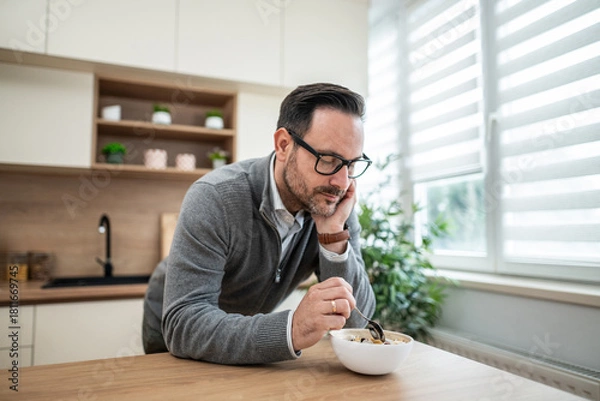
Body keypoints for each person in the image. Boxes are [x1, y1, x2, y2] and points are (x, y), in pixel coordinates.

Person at [142, 82, 376, 365]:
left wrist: (333, 237)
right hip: (174, 326)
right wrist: (293, 329)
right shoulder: (215, 197)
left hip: (241, 334)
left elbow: (357, 322)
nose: (342, 182)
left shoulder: (332, 204)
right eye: (328, 160)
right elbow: (185, 325)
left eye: (351, 165)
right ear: (284, 145)